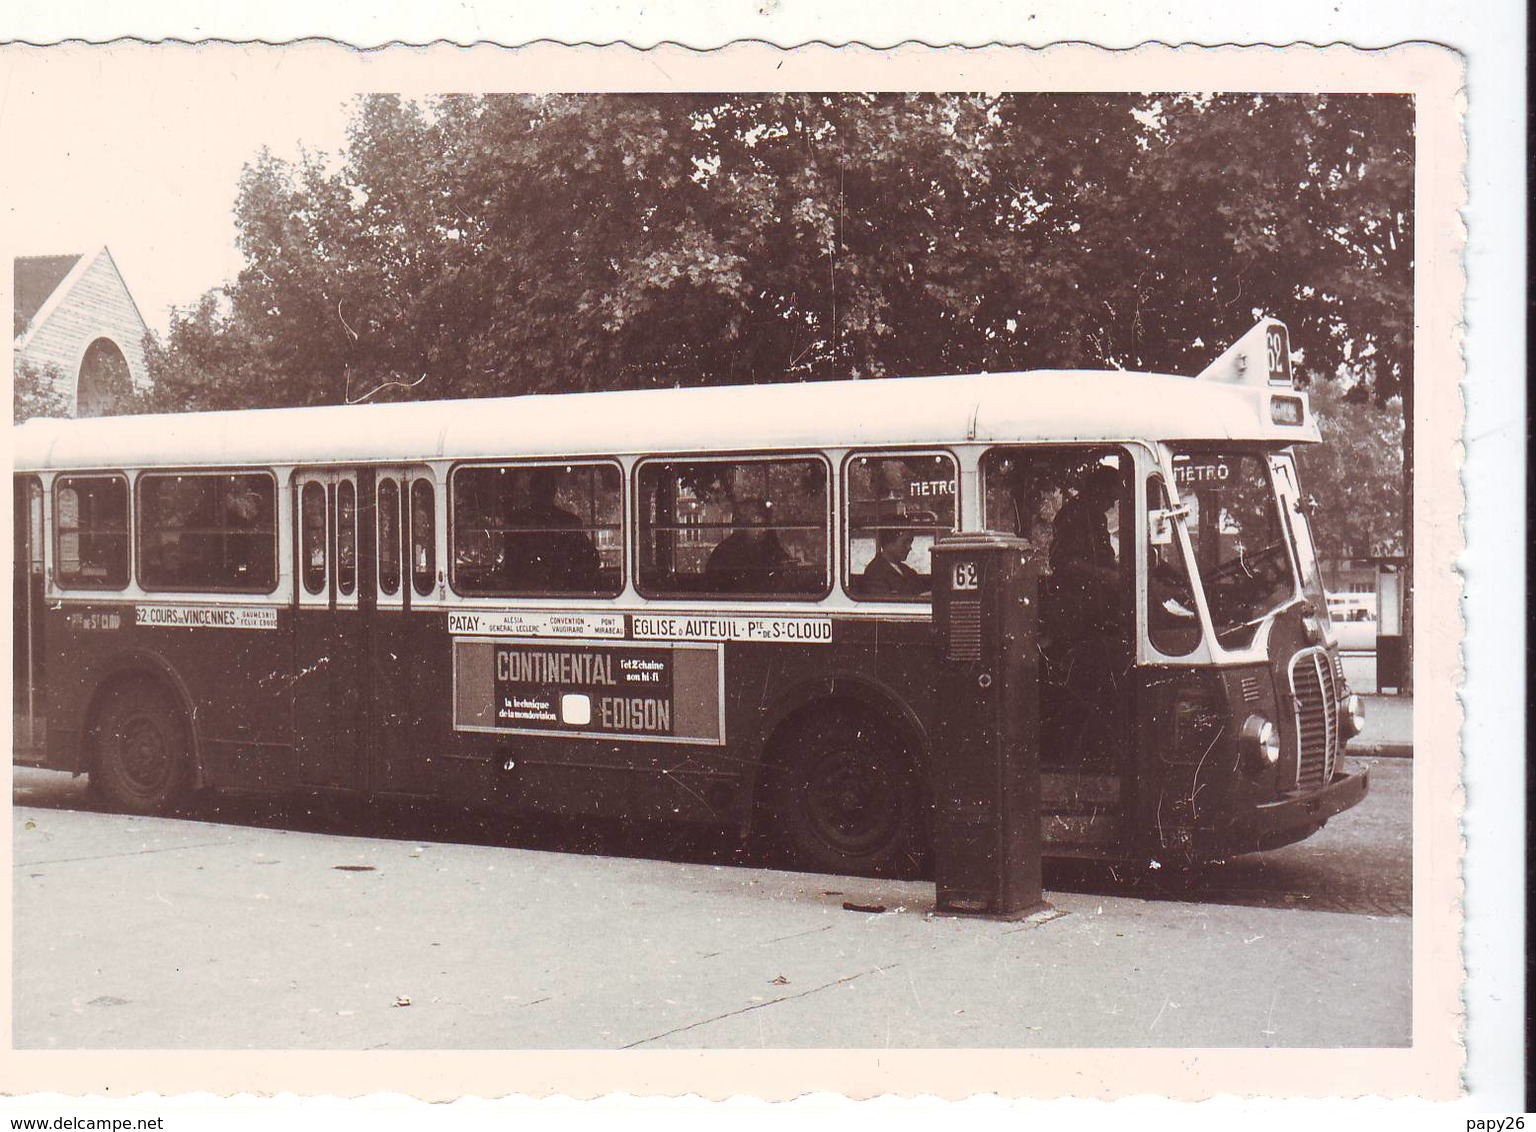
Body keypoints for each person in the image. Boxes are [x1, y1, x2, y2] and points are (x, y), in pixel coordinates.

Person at [501, 468, 600, 592]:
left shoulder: (517, 520)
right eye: (539, 489)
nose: (542, 494)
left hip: (559, 593)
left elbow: (591, 560)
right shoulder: (568, 521)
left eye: (545, 489)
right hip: (530, 594)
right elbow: (511, 565)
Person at [705, 498, 792, 592]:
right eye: (758, 525)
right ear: (743, 526)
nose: (764, 530)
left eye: (765, 524)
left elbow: (782, 561)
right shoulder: (725, 553)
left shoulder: (767, 545)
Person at [860, 527, 927, 596]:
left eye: (910, 542)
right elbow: (885, 604)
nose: (909, 547)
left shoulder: (908, 571)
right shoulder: (874, 572)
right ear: (889, 543)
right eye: (904, 542)